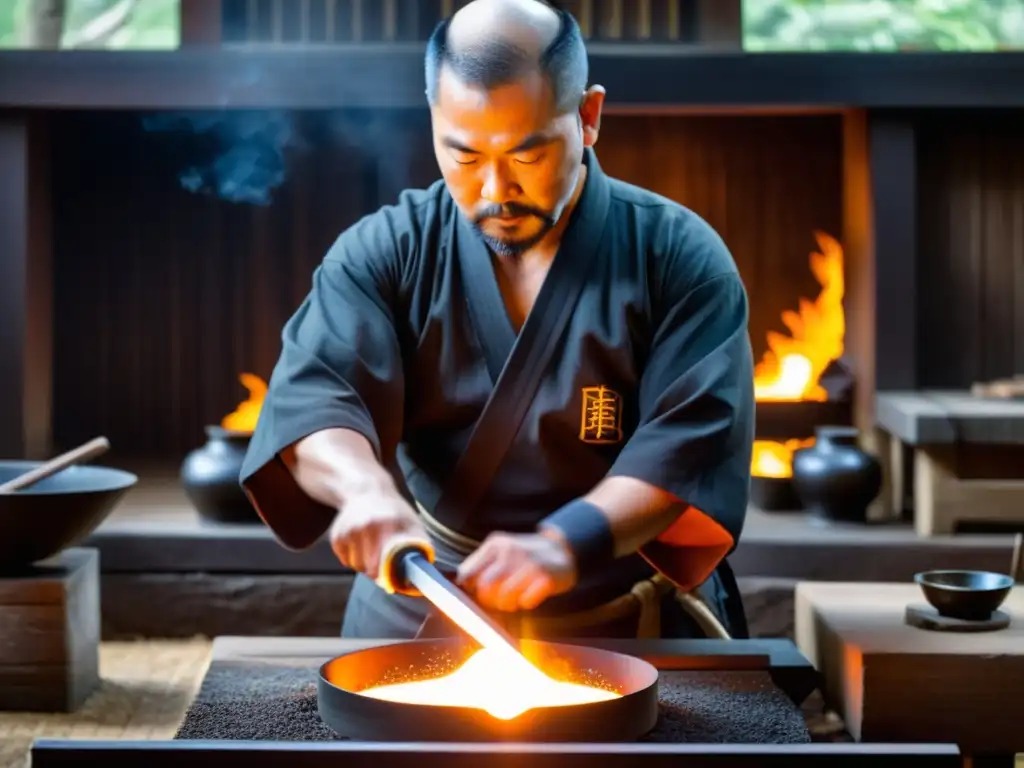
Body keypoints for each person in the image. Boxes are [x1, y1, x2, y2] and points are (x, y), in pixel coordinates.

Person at [239, 0, 755, 642]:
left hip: (624, 615)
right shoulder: (386, 251)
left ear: (588, 117)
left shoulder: (676, 256)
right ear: (434, 120)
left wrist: (564, 544)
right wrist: (364, 490)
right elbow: (315, 399)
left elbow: (691, 442)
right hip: (424, 599)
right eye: (464, 156)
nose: (493, 190)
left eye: (526, 156)